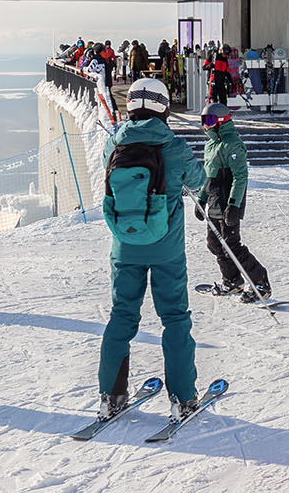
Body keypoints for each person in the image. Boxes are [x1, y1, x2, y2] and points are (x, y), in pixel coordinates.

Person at [98, 77, 209, 416]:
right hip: (167, 250)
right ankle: (182, 397)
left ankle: (111, 396)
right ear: (163, 107)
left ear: (130, 105)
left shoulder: (113, 146)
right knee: (175, 319)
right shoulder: (173, 147)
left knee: (121, 316)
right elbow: (199, 180)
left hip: (125, 246)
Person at [197, 103, 270, 301]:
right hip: (213, 202)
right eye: (203, 121)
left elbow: (240, 177)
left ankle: (260, 282)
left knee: (232, 245)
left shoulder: (232, 144)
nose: (205, 125)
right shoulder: (210, 145)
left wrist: (234, 205)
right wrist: (202, 199)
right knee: (215, 245)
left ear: (221, 121)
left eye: (209, 121)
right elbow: (209, 176)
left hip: (227, 204)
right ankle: (232, 281)